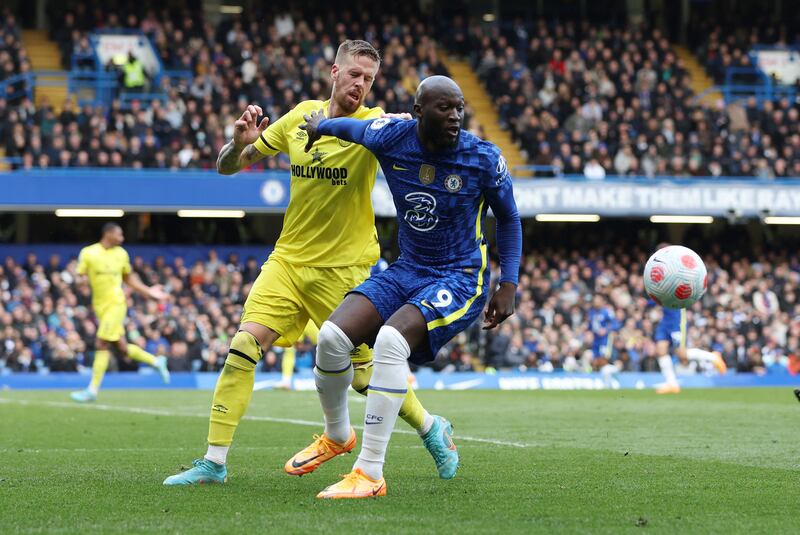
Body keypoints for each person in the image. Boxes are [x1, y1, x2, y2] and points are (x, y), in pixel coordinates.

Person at [164, 40, 448, 486]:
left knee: (363, 377)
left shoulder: (372, 125)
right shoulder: (299, 116)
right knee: (242, 348)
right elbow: (229, 166)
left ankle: (432, 429)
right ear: (334, 72)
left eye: (369, 79)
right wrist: (236, 146)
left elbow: (412, 132)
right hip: (288, 262)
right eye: (354, 74)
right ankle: (214, 462)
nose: (360, 85)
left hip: (343, 270)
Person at [298, 75, 521, 498]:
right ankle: (337, 435)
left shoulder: (482, 158)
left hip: (459, 276)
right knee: (330, 338)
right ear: (418, 112)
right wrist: (320, 127)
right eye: (444, 107)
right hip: (409, 268)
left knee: (389, 342)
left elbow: (509, 218)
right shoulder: (392, 136)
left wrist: (508, 281)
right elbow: (352, 129)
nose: (455, 116)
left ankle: (369, 474)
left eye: (459, 107)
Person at [70, 223, 170, 402]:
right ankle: (156, 361)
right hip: (100, 306)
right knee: (121, 348)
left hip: (116, 304)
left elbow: (129, 278)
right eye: (119, 234)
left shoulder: (121, 254)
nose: (122, 238)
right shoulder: (88, 253)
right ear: (108, 234)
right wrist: (80, 281)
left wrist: (149, 292)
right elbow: (80, 276)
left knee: (101, 343)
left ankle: (92, 389)